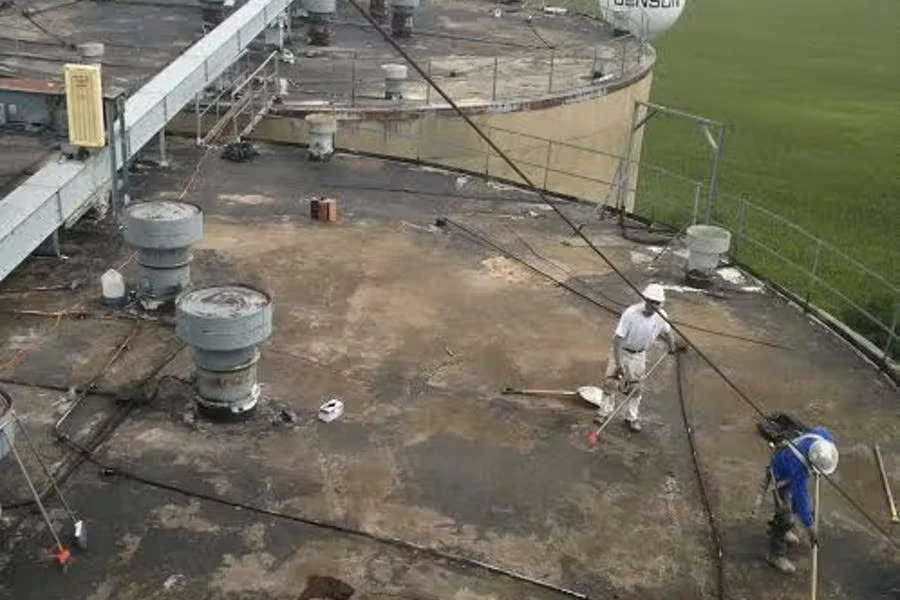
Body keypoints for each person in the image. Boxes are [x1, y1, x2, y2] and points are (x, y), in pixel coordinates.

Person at [594, 283, 681, 432]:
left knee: (636, 388)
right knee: (611, 383)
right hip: (621, 351)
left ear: (661, 303)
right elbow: (617, 339)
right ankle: (604, 412)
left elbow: (667, 333)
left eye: (656, 302)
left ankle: (631, 418)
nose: (652, 305)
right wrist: (619, 361)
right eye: (650, 300)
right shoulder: (630, 313)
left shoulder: (661, 316)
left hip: (639, 355)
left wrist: (672, 346)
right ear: (644, 299)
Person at [764, 426, 839, 574]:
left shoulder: (822, 438)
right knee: (785, 515)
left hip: (786, 459)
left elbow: (824, 433)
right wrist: (811, 528)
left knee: (791, 508)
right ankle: (775, 554)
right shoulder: (798, 469)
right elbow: (801, 500)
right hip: (779, 476)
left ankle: (784, 531)